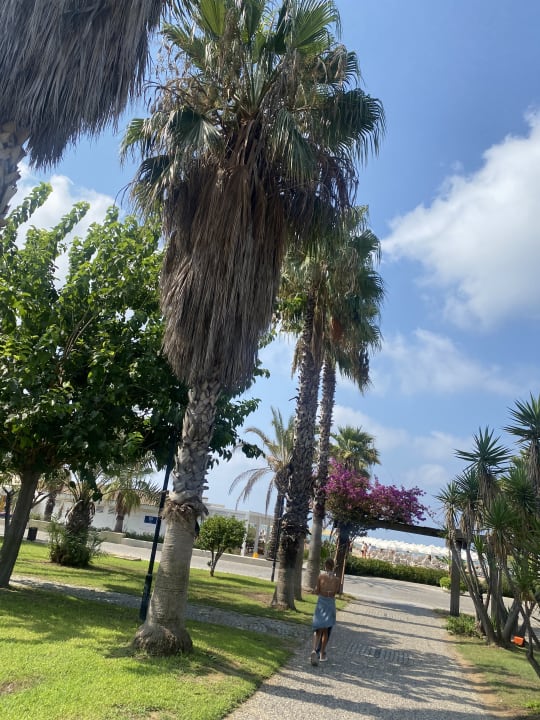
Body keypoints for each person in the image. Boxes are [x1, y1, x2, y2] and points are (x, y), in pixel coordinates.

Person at [310, 558, 340, 666]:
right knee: (326, 630)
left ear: (325, 566)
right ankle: (322, 654)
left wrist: (314, 591)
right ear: (333, 566)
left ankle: (314, 649)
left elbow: (317, 590)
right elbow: (335, 592)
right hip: (330, 603)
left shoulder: (321, 576)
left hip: (321, 602)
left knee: (317, 628)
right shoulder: (337, 579)